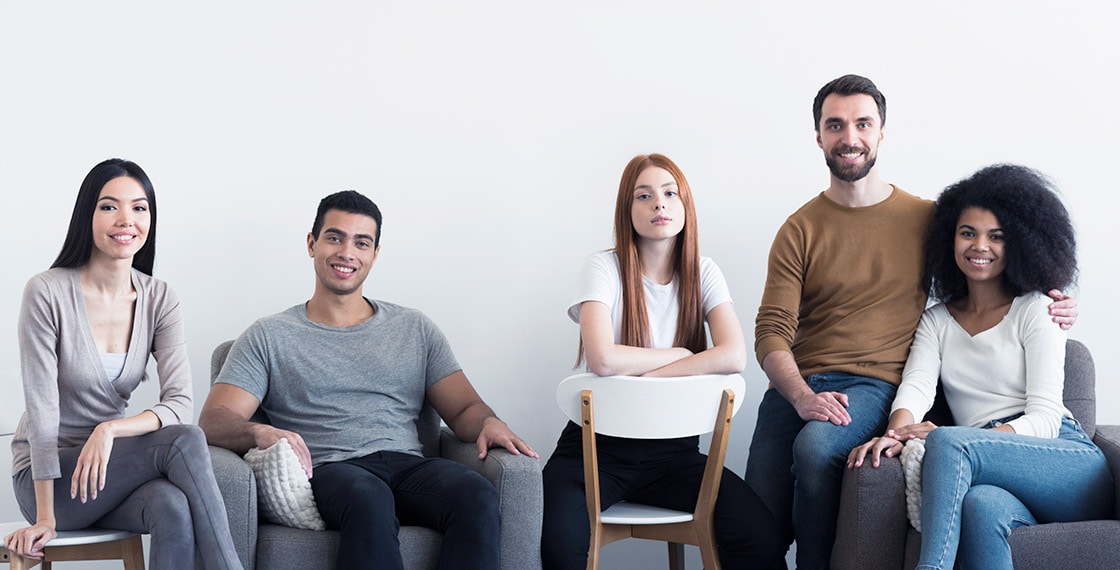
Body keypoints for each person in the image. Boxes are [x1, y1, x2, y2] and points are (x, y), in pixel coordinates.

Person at [743, 74, 1079, 569]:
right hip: (797, 383)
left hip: (871, 382)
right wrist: (799, 395)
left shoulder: (928, 220)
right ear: (818, 136)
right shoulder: (799, 229)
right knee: (754, 520)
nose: (850, 137)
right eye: (835, 125)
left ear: (881, 132)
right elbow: (771, 328)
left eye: (863, 124)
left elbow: (989, 256)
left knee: (816, 448)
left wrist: (1053, 294)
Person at [198, 190, 537, 570]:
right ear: (312, 244)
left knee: (475, 494)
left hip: (407, 465)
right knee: (369, 496)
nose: (347, 252)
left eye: (361, 243)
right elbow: (214, 419)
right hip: (332, 470)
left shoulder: (414, 328)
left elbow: (464, 408)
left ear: (374, 254)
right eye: (335, 237)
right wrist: (258, 432)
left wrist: (488, 422)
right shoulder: (268, 336)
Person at [847, 164, 1113, 570]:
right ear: (949, 239)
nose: (980, 246)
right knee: (980, 506)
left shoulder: (1037, 309)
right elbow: (916, 388)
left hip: (1066, 464)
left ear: (1020, 242)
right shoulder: (936, 321)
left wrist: (965, 439)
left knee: (946, 442)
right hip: (994, 476)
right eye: (968, 233)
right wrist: (895, 434)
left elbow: (1045, 417)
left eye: (996, 236)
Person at [541, 154, 783, 569]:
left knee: (760, 538)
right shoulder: (603, 267)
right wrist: (682, 356)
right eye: (644, 195)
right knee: (558, 545)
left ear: (686, 206)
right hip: (594, 454)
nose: (659, 203)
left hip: (674, 457)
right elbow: (602, 358)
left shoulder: (704, 271)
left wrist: (643, 373)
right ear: (627, 209)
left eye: (670, 194)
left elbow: (733, 354)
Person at [4, 159, 242, 569]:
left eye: (139, 207)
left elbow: (181, 403)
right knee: (184, 440)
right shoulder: (47, 292)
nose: (126, 219)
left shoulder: (160, 298)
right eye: (109, 206)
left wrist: (110, 429)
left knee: (171, 506)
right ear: (88, 215)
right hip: (51, 484)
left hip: (109, 473)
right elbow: (42, 411)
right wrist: (45, 517)